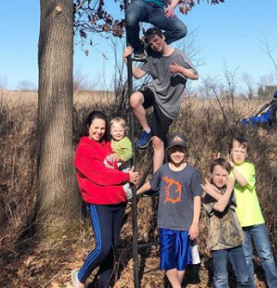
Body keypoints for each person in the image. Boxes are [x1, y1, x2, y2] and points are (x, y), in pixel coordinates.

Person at [72, 111, 139, 288]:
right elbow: (100, 175)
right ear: (88, 127)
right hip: (98, 202)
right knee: (102, 247)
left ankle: (105, 284)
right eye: (96, 128)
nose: (99, 131)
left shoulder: (108, 146)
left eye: (102, 128)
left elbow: (120, 160)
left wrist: (130, 173)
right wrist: (125, 177)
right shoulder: (83, 150)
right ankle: (79, 278)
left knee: (112, 246)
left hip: (118, 200)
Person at [124, 26, 198, 171]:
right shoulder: (153, 58)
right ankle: (146, 130)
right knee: (134, 99)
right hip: (154, 91)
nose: (155, 45)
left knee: (158, 143)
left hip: (168, 105)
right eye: (151, 44)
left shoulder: (179, 55)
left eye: (156, 41)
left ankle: (157, 179)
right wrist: (127, 59)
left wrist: (181, 70)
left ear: (163, 37)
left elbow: (195, 75)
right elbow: (138, 74)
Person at [138, 133, 201, 288]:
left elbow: (197, 198)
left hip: (185, 224)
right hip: (165, 223)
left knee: (181, 261)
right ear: (168, 151)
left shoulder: (192, 173)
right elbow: (152, 185)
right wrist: (136, 192)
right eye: (174, 150)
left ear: (185, 152)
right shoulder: (163, 170)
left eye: (180, 150)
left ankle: (175, 285)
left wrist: (195, 223)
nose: (177, 154)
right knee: (167, 259)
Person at [229, 137, 277, 288]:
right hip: (238, 220)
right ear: (230, 152)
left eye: (242, 151)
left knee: (265, 255)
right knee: (245, 257)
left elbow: (244, 182)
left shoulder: (249, 167)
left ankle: (274, 285)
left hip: (256, 219)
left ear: (246, 154)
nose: (239, 154)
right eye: (236, 151)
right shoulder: (227, 170)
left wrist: (232, 167)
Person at [202, 158, 255, 288]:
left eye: (224, 175)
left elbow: (226, 202)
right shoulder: (206, 193)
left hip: (235, 240)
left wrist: (229, 188)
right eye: (217, 174)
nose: (220, 178)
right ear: (211, 175)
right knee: (220, 278)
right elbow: (220, 207)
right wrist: (225, 190)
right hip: (217, 242)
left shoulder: (229, 190)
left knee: (244, 278)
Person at [109, 116, 133, 200]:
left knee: (124, 187)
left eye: (120, 130)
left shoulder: (125, 141)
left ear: (124, 131)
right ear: (110, 132)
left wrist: (121, 158)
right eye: (115, 131)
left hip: (124, 167)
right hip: (114, 166)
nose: (118, 133)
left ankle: (129, 197)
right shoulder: (111, 141)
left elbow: (129, 153)